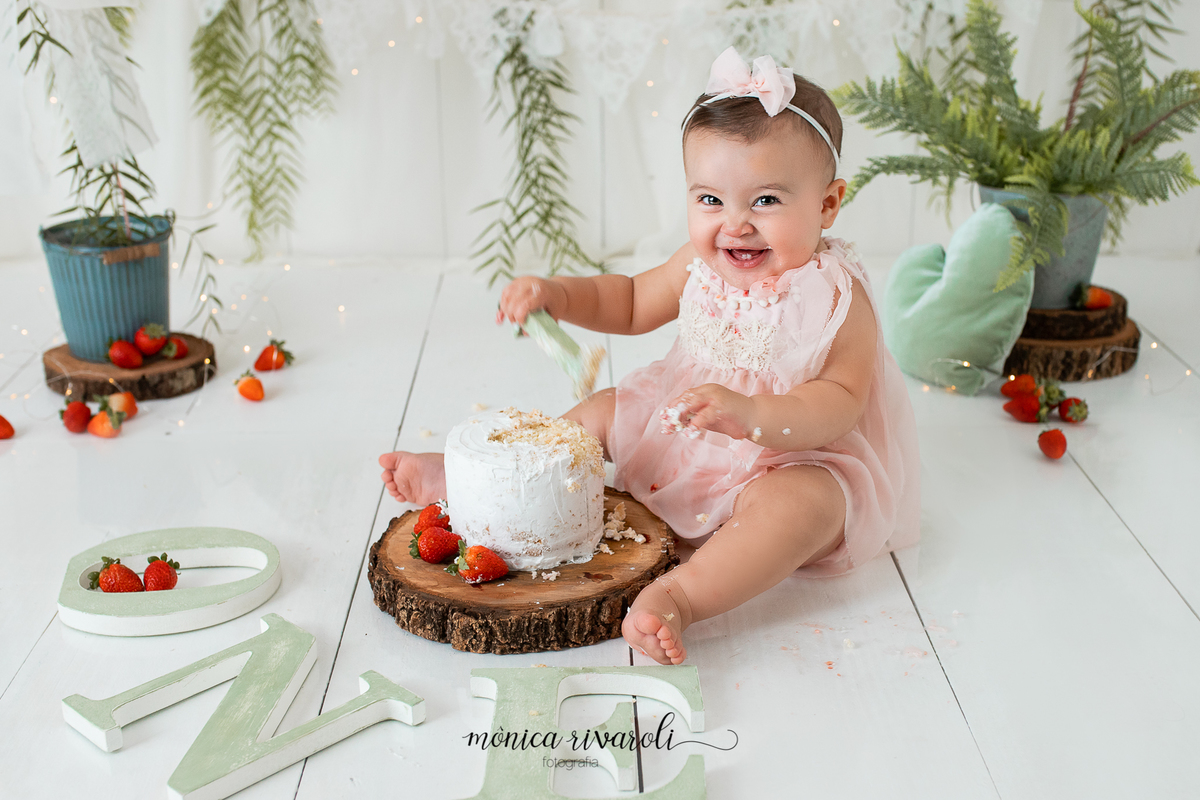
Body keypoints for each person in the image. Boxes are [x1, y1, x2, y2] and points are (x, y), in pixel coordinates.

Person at [380, 47, 919, 665]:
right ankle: (474, 485)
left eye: (765, 201)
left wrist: (752, 414)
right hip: (679, 419)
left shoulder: (833, 296)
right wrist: (558, 293)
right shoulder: (698, 266)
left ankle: (680, 596)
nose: (735, 224)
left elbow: (842, 401)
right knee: (606, 411)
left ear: (827, 204)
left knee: (807, 508)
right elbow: (631, 301)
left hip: (789, 449)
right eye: (711, 200)